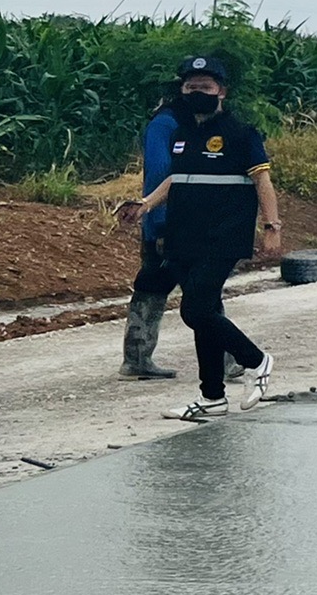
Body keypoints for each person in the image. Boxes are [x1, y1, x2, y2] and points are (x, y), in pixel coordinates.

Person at [119, 55, 279, 419]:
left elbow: (263, 182)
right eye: (190, 87)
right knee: (201, 312)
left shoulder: (242, 134)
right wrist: (145, 205)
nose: (197, 92)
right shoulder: (182, 134)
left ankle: (257, 360)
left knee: (196, 310)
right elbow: (175, 180)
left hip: (223, 237)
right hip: (185, 235)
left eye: (205, 87)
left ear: (221, 91)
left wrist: (272, 227)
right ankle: (212, 397)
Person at [119, 85, 188, 379]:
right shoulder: (167, 124)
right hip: (168, 222)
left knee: (153, 286)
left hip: (174, 222)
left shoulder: (174, 122)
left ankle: (136, 358)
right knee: (198, 289)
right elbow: (160, 174)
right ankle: (224, 359)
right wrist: (159, 222)